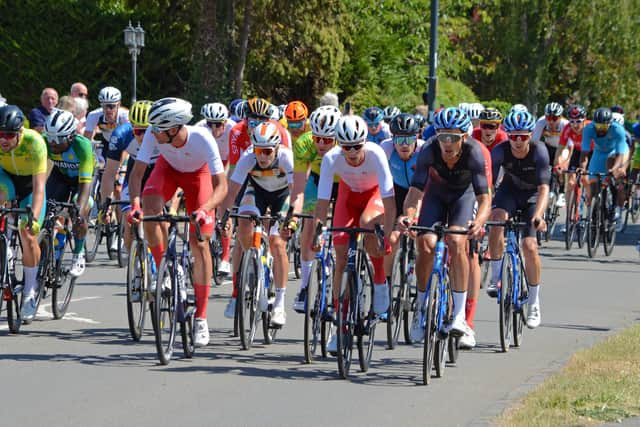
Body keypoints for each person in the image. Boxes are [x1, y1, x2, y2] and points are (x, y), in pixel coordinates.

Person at [127, 97, 228, 347]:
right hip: (168, 170)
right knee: (150, 210)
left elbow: (222, 185)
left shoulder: (202, 138)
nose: (152, 133)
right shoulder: (155, 132)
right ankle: (167, 272)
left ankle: (201, 318)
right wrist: (135, 205)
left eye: (159, 130)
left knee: (200, 241)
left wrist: (205, 210)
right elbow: (137, 173)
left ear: (173, 129)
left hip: (199, 177)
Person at [398, 107, 490, 342]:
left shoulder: (475, 152)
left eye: (453, 137)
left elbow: (484, 198)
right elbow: (415, 191)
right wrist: (409, 215)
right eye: (442, 137)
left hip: (463, 196)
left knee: (457, 241)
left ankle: (459, 315)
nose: (447, 143)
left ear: (464, 137)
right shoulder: (429, 150)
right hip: (436, 195)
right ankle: (421, 307)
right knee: (425, 243)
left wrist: (478, 222)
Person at [312, 115, 395, 353]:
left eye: (356, 146)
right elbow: (322, 203)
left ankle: (379, 280)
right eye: (346, 147)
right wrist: (318, 233)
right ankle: (341, 329)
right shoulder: (331, 158)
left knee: (367, 222)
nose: (352, 152)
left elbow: (390, 203)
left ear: (364, 142)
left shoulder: (376, 153)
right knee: (340, 255)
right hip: (348, 197)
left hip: (373, 195)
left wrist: (387, 236)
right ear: (338, 144)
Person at [220, 122, 294, 326]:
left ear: (277, 148)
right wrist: (224, 218)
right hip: (257, 192)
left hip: (282, 196)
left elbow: (295, 191)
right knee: (244, 223)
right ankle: (247, 272)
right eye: (258, 150)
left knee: (277, 243)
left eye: (267, 151)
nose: (262, 156)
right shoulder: (248, 157)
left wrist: (292, 218)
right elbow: (232, 191)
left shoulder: (286, 158)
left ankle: (279, 304)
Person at [487, 111, 549, 329]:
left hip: (533, 196)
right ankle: (495, 276)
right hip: (509, 192)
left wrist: (539, 216)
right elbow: (487, 185)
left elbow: (544, 188)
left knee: (529, 245)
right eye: (514, 137)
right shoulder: (500, 151)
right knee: (496, 221)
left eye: (523, 137)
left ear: (531, 135)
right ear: (508, 136)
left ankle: (533, 301)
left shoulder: (539, 151)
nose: (518, 142)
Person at [290, 105, 342, 312]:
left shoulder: (347, 145)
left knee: (342, 230)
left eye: (327, 140)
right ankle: (304, 285)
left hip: (345, 182)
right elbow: (299, 189)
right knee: (309, 225)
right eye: (317, 138)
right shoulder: (304, 144)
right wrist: (293, 216)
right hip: (319, 180)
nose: (320, 144)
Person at [0, 105, 48, 323]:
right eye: (0, 135)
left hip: (30, 186)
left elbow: (39, 188)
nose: (4, 140)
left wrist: (34, 220)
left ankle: (29, 291)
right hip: (6, 179)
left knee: (28, 234)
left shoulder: (35, 143)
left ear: (20, 132)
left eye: (9, 135)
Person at [44, 109, 94, 277]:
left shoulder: (82, 146)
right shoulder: (46, 141)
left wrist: (79, 211)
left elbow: (85, 185)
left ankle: (78, 253)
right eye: (50, 138)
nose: (53, 143)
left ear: (71, 136)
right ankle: (51, 247)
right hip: (60, 177)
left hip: (81, 181)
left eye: (58, 139)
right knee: (46, 210)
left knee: (80, 212)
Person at [380, 113, 425, 291]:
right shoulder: (386, 148)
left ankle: (423, 284)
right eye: (399, 139)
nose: (404, 144)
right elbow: (378, 180)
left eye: (409, 138)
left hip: (420, 191)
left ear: (417, 137)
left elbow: (427, 187)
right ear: (392, 139)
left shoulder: (424, 150)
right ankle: (387, 284)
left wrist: (416, 216)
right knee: (391, 238)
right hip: (396, 191)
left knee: (421, 236)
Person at [198, 102, 237, 275]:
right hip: (207, 164)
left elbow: (235, 160)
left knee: (223, 205)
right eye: (210, 124)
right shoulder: (199, 128)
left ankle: (226, 257)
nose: (214, 129)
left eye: (219, 124)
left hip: (227, 163)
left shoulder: (233, 130)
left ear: (225, 122)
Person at [582, 108, 629, 220]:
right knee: (593, 184)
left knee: (612, 168)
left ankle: (615, 205)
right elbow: (584, 153)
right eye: (598, 126)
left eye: (603, 127)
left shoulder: (618, 130)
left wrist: (614, 169)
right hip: (599, 152)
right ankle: (594, 218)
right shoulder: (588, 129)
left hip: (617, 152)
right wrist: (582, 168)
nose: (600, 130)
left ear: (610, 124)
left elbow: (619, 155)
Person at [532, 102, 568, 207]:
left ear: (560, 117)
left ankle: (561, 193)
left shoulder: (565, 125)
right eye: (548, 117)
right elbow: (534, 142)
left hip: (563, 148)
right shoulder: (541, 122)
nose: (551, 121)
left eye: (554, 118)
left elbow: (570, 145)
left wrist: (564, 161)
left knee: (559, 164)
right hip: (548, 146)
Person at [84, 86, 130, 166]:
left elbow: (128, 143)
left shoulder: (125, 116)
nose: (108, 110)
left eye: (111, 106)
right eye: (105, 106)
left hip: (124, 144)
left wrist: (119, 166)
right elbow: (86, 141)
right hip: (107, 142)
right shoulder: (93, 115)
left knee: (122, 168)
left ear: (119, 104)